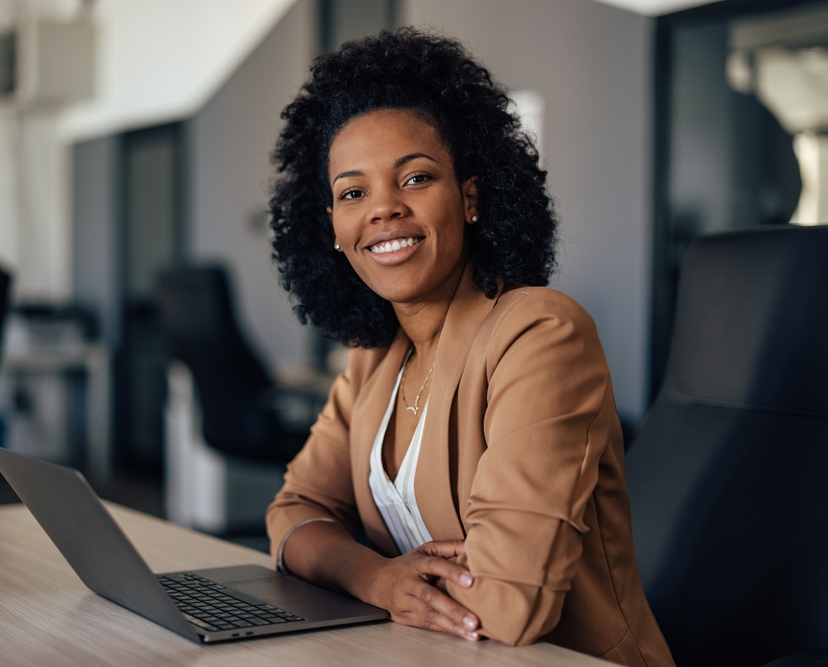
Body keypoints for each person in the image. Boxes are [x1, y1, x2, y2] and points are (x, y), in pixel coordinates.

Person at [264, 29, 674, 667]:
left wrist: (362, 568)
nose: (383, 210)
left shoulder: (540, 334)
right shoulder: (374, 353)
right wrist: (376, 579)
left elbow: (510, 606)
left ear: (470, 197)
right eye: (353, 193)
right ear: (334, 232)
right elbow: (294, 514)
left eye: (416, 177)